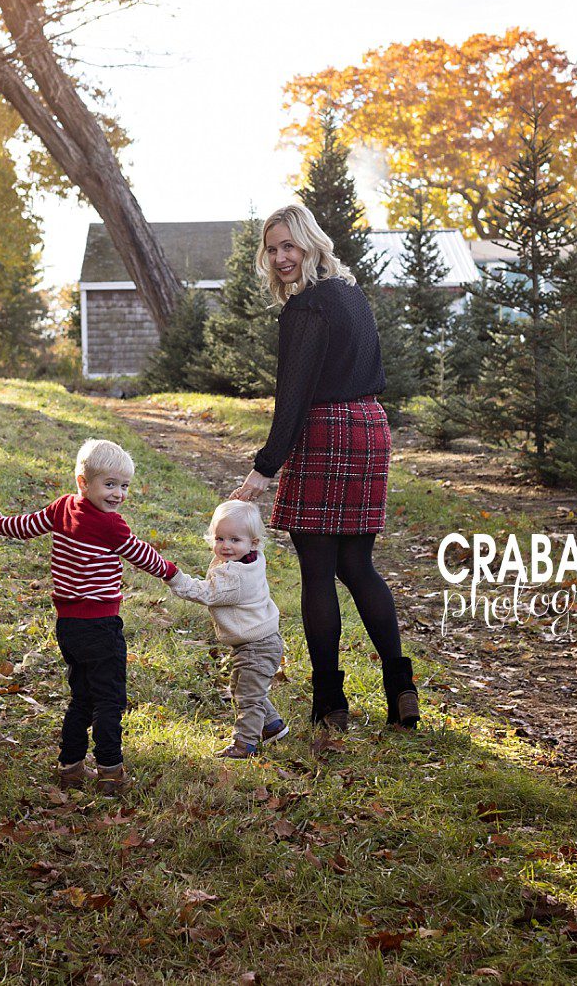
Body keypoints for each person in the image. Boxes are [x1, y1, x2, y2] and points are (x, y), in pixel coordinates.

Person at [229, 203, 420, 733]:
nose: (280, 258)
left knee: (318, 572)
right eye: (272, 249)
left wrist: (263, 469)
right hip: (370, 426)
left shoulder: (306, 308)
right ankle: (401, 688)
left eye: (288, 246)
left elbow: (292, 397)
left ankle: (330, 703)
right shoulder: (351, 294)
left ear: (310, 243)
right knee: (358, 566)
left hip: (326, 432)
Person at [0, 438, 179, 797]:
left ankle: (70, 767)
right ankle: (110, 771)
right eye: (110, 484)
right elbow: (141, 554)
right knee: (109, 700)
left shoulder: (62, 507)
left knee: (82, 697)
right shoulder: (110, 524)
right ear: (83, 482)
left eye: (124, 486)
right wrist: (172, 573)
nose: (118, 494)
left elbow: (24, 526)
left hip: (69, 626)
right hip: (101, 626)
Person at [166, 499, 289, 758]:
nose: (225, 546)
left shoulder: (235, 577)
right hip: (258, 640)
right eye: (219, 538)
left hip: (257, 645)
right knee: (241, 688)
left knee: (248, 697)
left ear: (253, 543)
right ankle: (272, 726)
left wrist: (175, 577)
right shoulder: (251, 559)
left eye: (235, 540)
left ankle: (245, 744)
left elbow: (207, 593)